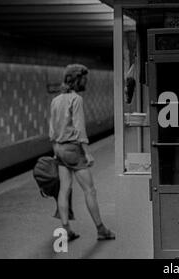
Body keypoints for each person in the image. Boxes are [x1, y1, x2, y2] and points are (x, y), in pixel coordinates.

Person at [49, 64, 115, 241]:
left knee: (64, 189)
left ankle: (66, 229)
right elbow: (79, 128)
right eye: (84, 78)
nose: (87, 81)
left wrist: (56, 149)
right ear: (77, 80)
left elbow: (52, 130)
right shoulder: (76, 99)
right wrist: (87, 152)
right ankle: (101, 229)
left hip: (59, 148)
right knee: (90, 190)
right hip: (73, 149)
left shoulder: (55, 100)